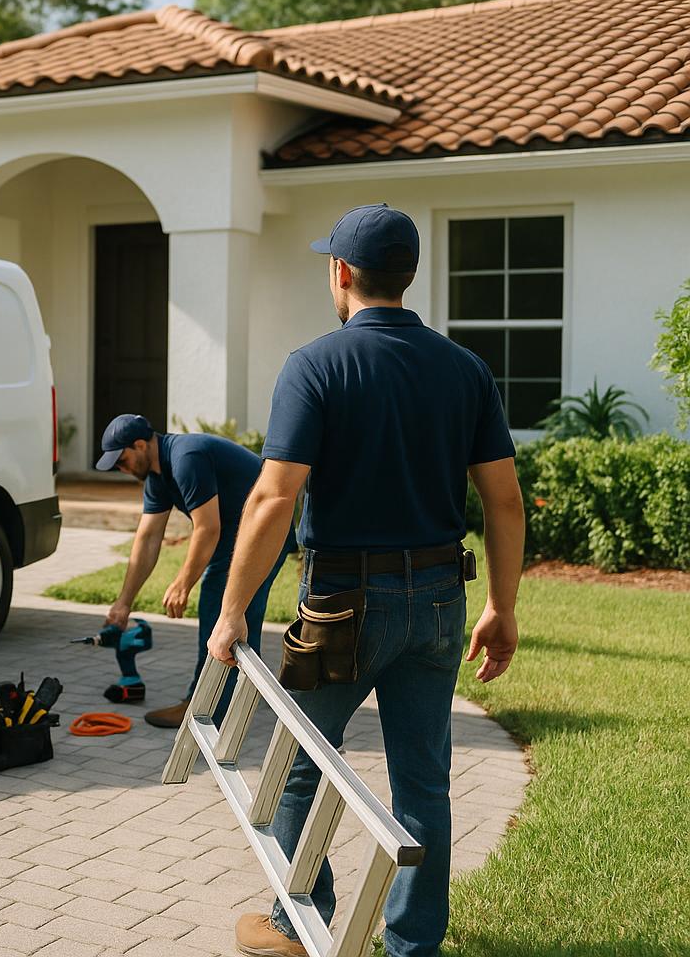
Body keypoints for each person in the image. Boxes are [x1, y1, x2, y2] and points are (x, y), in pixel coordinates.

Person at [207, 204, 524, 957]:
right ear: (407, 275)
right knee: (424, 785)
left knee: (299, 768)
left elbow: (273, 497)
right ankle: (414, 946)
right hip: (442, 601)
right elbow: (503, 500)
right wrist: (502, 607)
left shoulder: (315, 364)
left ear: (341, 272)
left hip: (342, 605)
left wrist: (231, 611)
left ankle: (295, 924)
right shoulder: (466, 370)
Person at [94, 414, 291, 728]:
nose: (121, 468)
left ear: (140, 445)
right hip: (238, 533)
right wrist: (123, 603)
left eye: (121, 460)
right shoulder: (158, 477)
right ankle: (243, 694)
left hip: (262, 532)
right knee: (237, 618)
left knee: (221, 610)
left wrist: (184, 583)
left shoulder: (187, 458)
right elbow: (147, 539)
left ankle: (205, 709)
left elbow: (207, 529)